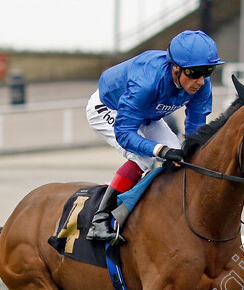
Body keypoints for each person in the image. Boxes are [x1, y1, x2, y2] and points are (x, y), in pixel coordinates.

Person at [85, 30, 224, 243]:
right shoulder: (146, 82)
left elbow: (195, 130)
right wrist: (159, 150)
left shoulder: (201, 86)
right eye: (195, 72)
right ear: (175, 68)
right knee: (146, 157)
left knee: (180, 155)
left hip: (148, 114)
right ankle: (100, 219)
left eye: (208, 71)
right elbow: (125, 133)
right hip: (109, 108)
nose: (201, 81)